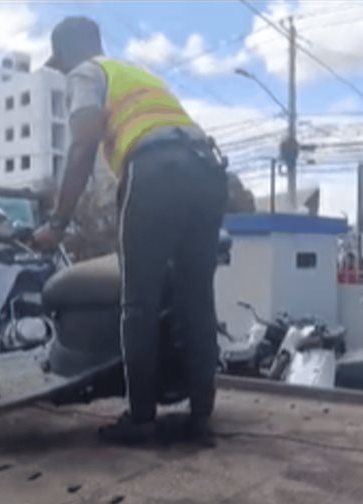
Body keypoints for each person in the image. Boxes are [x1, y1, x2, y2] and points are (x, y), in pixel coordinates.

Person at [33, 16, 228, 446]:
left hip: (157, 172)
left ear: (65, 53)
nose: (63, 73)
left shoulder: (87, 72)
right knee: (197, 301)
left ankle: (141, 421)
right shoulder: (138, 75)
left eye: (60, 64)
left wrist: (58, 224)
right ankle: (200, 417)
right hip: (207, 169)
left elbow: (83, 143)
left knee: (138, 302)